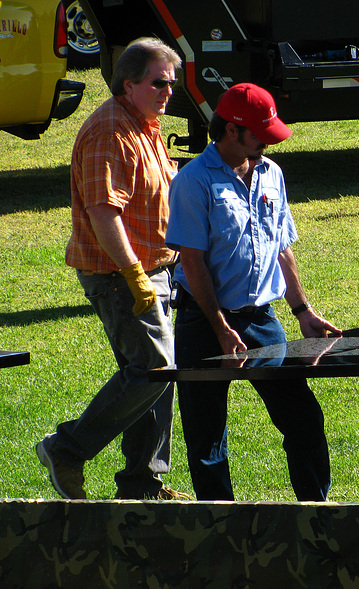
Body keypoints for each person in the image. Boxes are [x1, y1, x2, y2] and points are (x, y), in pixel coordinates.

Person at [165, 82, 341, 501]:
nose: (268, 142)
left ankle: (317, 513)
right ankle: (219, 524)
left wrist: (302, 310)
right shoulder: (193, 182)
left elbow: (281, 246)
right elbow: (193, 262)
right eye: (260, 134)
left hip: (262, 319)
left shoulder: (271, 173)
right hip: (202, 321)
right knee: (206, 437)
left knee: (303, 419)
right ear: (230, 131)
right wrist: (221, 327)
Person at [36, 37, 190, 501]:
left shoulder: (147, 123)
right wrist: (134, 275)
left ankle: (142, 486)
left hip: (155, 269)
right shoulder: (110, 130)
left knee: (156, 378)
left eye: (172, 84)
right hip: (118, 274)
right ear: (129, 83)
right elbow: (105, 214)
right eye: (159, 83)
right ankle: (66, 449)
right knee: (155, 367)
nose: (168, 92)